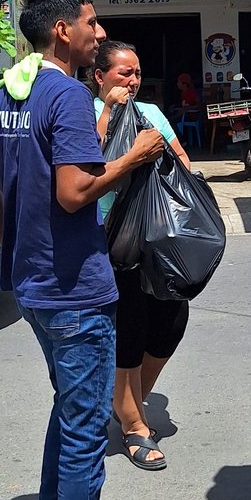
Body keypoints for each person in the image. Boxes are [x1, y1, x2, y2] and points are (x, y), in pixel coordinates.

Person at [0, 0, 166, 500]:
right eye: (89, 22)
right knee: (85, 432)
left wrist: (20, 253)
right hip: (77, 292)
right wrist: (134, 157)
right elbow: (76, 191)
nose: (97, 29)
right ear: (61, 30)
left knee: (68, 413)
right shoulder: (68, 96)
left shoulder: (7, 94)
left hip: (34, 288)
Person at [92, 40, 194, 471]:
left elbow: (182, 159)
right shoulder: (85, 114)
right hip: (110, 237)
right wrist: (110, 113)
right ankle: (134, 423)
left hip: (157, 237)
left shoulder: (151, 114)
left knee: (172, 319)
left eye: (136, 73)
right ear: (100, 77)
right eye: (122, 74)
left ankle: (128, 400)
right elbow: (84, 167)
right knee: (129, 326)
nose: (131, 81)